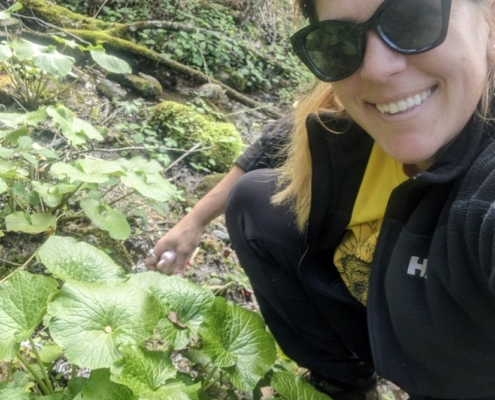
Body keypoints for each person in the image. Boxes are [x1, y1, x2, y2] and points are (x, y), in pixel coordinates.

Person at [148, 0, 495, 398]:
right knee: (254, 199)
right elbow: (272, 143)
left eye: (413, 19)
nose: (377, 69)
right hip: (382, 317)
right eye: (338, 41)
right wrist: (191, 224)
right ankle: (344, 382)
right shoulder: (345, 104)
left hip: (456, 372)